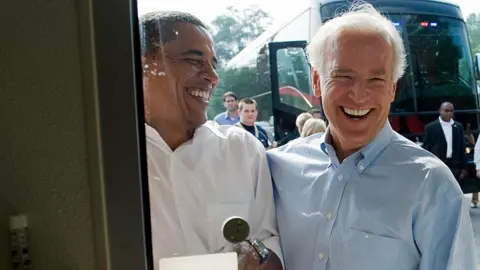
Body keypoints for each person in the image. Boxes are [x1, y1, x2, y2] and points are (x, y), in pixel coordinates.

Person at [267, 3, 477, 270]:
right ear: (317, 81)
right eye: (343, 76)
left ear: (392, 88)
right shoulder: (276, 169)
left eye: (376, 80)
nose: (358, 94)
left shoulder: (431, 186)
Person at [139, 11, 283, 270]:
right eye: (194, 61)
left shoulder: (242, 149)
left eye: (213, 64)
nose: (213, 76)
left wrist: (260, 259)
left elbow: (269, 242)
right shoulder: (104, 158)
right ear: (143, 67)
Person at [422, 102, 467, 180]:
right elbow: (426, 148)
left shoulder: (458, 126)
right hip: (437, 165)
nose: (449, 113)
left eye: (451, 111)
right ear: (440, 111)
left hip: (454, 166)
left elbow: (462, 147)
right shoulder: (430, 128)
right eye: (446, 110)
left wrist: (464, 168)